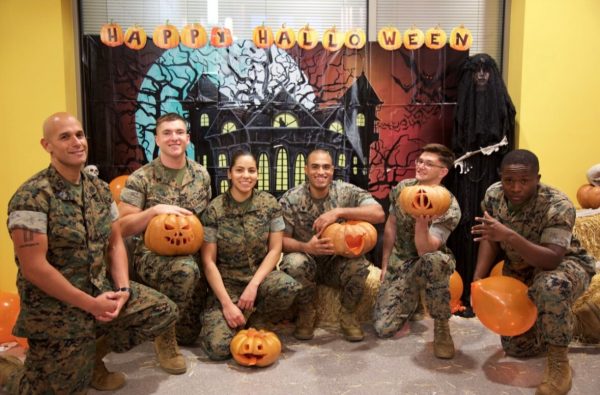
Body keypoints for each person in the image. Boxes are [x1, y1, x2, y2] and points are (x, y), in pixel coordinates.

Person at [0, 112, 178, 394]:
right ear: (47, 145)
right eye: (65, 137)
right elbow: (34, 267)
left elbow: (115, 240)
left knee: (162, 310)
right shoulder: (31, 197)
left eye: (79, 135)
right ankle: (9, 370)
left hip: (100, 290)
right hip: (56, 308)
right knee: (55, 389)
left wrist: (121, 289)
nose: (76, 142)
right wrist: (89, 305)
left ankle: (90, 356)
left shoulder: (99, 190)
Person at [471, 149, 598, 395]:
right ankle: (569, 322)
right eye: (509, 180)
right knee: (519, 347)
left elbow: (551, 259)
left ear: (537, 179)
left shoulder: (557, 205)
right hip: (521, 266)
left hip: (564, 265)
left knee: (549, 287)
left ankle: (559, 365)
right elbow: (489, 238)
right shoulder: (494, 195)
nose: (516, 187)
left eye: (524, 181)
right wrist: (478, 278)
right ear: (501, 177)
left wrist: (508, 235)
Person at [118, 112, 211, 374]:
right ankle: (165, 338)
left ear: (188, 138)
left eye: (179, 132)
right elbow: (121, 226)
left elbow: (202, 223)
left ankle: (172, 323)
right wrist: (153, 211)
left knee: (191, 333)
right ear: (157, 139)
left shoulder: (201, 175)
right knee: (184, 270)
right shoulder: (142, 178)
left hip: (190, 253)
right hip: (151, 255)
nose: (174, 138)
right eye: (167, 133)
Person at [199, 151, 301, 360]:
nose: (246, 175)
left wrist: (253, 285)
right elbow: (208, 261)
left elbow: (275, 249)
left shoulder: (269, 204)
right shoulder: (214, 210)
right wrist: (227, 304)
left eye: (251, 170)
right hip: (228, 285)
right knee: (218, 349)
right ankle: (227, 317)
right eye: (240, 170)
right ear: (229, 174)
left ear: (257, 174)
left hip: (260, 279)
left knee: (287, 286)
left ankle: (259, 319)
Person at [279, 149, 385, 342]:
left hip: (335, 263)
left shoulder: (345, 191)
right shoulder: (291, 198)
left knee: (359, 265)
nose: (321, 172)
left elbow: (379, 213)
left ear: (332, 170)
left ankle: (348, 315)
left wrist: (339, 212)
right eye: (315, 167)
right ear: (306, 170)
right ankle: (306, 313)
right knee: (293, 263)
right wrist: (306, 247)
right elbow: (281, 241)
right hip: (307, 260)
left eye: (326, 167)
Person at [373, 143, 461, 359]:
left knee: (435, 261)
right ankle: (411, 304)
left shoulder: (449, 205)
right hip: (401, 261)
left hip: (427, 261)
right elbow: (391, 226)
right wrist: (385, 264)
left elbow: (426, 250)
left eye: (428, 164)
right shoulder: (403, 189)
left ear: (442, 172)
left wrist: (421, 221)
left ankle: (442, 328)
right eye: (420, 161)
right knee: (383, 328)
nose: (421, 166)